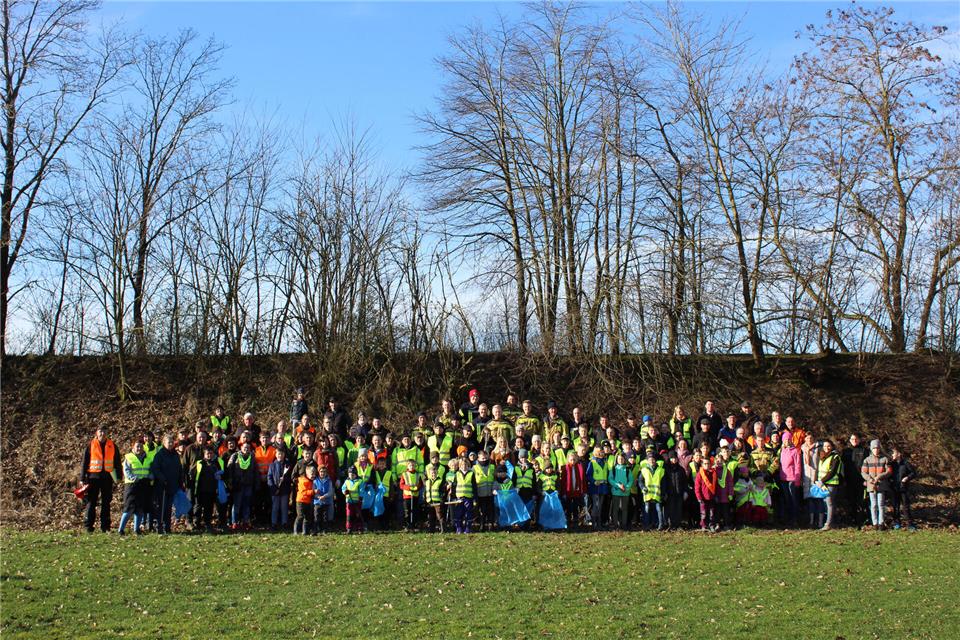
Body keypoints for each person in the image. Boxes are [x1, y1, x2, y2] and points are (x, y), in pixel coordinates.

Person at [79, 426, 122, 533]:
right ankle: (88, 526)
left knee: (106, 502)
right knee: (91, 502)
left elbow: (117, 462)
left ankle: (105, 526)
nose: (102, 433)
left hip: (107, 478)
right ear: (97, 433)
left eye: (104, 431)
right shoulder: (91, 445)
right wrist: (82, 477)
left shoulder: (112, 445)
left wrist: (119, 476)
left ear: (107, 433)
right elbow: (85, 462)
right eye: (100, 431)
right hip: (93, 478)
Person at [150, 433, 183, 534]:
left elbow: (179, 469)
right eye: (168, 442)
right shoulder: (159, 455)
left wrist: (180, 482)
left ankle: (167, 527)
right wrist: (162, 479)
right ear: (164, 443)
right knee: (161, 507)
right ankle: (159, 526)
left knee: (169, 508)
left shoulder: (175, 455)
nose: (170, 444)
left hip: (173, 485)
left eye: (172, 442)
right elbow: (155, 469)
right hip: (162, 485)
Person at [118, 440, 152, 535]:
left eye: (141, 446)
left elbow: (150, 470)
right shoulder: (129, 457)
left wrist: (150, 477)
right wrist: (134, 478)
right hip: (132, 486)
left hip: (143, 485)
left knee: (140, 509)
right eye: (137, 446)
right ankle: (121, 529)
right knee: (129, 509)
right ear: (133, 447)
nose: (139, 448)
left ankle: (136, 529)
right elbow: (126, 471)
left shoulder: (147, 458)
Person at [861, 439, 892, 530]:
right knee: (873, 504)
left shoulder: (885, 459)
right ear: (871, 449)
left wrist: (879, 476)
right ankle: (874, 523)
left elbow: (889, 471)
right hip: (871, 485)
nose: (876, 450)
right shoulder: (867, 460)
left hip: (881, 484)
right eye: (874, 448)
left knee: (881, 504)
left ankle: (881, 522)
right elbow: (863, 472)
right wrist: (869, 479)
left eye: (877, 448)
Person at [227, 441, 258, 530]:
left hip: (248, 485)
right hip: (238, 485)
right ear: (241, 448)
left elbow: (255, 471)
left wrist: (256, 483)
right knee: (236, 504)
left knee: (246, 505)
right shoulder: (235, 456)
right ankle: (234, 522)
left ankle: (245, 522)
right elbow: (229, 469)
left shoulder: (252, 458)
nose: (246, 449)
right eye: (244, 447)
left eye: (248, 448)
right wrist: (231, 482)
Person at [192, 447, 222, 533]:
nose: (209, 455)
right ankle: (196, 524)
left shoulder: (217, 463)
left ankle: (207, 524)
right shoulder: (199, 463)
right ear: (204, 454)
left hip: (212, 490)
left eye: (211, 453)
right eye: (207, 453)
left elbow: (223, 473)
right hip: (200, 490)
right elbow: (192, 474)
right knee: (198, 508)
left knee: (208, 509)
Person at [841, 434, 868, 527]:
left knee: (861, 501)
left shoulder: (864, 450)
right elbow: (842, 466)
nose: (854, 440)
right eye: (852, 439)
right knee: (851, 500)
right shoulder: (846, 451)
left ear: (859, 440)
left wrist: (867, 478)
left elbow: (867, 465)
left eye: (856, 439)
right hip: (849, 480)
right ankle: (852, 520)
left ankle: (862, 519)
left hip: (861, 480)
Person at [816, 439, 842, 530]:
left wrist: (822, 481)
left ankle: (828, 524)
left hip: (831, 483)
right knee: (823, 503)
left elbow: (832, 472)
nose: (826, 448)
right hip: (822, 484)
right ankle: (823, 522)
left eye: (828, 446)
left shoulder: (835, 457)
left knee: (829, 503)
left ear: (831, 446)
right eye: (825, 446)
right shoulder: (822, 456)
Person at [889, 447, 916, 530]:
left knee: (906, 506)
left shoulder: (906, 463)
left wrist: (907, 477)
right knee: (895, 506)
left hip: (904, 488)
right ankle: (897, 523)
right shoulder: (891, 464)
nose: (892, 455)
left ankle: (910, 524)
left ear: (899, 454)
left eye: (893, 453)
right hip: (894, 488)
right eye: (891, 453)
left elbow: (913, 473)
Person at [778, 435, 802, 527]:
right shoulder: (782, 451)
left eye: (788, 439)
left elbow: (798, 466)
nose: (787, 441)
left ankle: (795, 519)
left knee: (793, 499)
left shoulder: (795, 451)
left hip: (792, 478)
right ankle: (787, 519)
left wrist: (797, 479)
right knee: (786, 499)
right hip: (783, 478)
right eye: (785, 439)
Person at [267, 447, 293, 530]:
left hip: (284, 490)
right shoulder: (272, 465)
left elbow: (290, 477)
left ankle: (284, 523)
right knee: (275, 507)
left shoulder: (288, 465)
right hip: (275, 491)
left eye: (282, 454)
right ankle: (274, 523)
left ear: (284, 455)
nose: (280, 455)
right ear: (276, 454)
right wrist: (274, 488)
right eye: (278, 454)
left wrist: (285, 479)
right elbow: (269, 477)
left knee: (284, 507)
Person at [609, 453, 633, 530]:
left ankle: (624, 525)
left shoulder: (628, 469)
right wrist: (618, 485)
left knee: (624, 509)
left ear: (624, 459)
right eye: (619, 459)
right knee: (615, 509)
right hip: (616, 492)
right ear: (616, 460)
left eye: (622, 459)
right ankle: (615, 524)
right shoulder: (613, 469)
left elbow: (631, 480)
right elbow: (610, 479)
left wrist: (626, 488)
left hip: (625, 492)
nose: (620, 460)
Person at [452, 458, 476, 533]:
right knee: (458, 513)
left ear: (468, 465)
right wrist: (453, 497)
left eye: (465, 464)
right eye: (462, 465)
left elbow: (474, 486)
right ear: (459, 466)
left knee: (468, 513)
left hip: (468, 497)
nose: (464, 466)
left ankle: (468, 528)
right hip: (459, 497)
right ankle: (459, 528)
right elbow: (454, 485)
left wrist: (475, 498)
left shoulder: (471, 473)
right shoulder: (457, 473)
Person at [694, 453, 717, 531]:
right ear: (702, 464)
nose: (707, 465)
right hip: (703, 497)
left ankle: (711, 525)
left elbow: (716, 485)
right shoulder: (699, 474)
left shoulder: (713, 473)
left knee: (711, 513)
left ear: (710, 464)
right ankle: (703, 526)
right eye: (705, 463)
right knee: (703, 513)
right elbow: (697, 487)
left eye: (708, 463)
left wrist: (715, 495)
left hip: (711, 497)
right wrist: (699, 497)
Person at [399, 459, 421, 531]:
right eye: (410, 465)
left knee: (415, 511)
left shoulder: (418, 474)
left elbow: (420, 484)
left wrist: (417, 487)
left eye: (413, 465)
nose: (412, 466)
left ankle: (414, 525)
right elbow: (401, 485)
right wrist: (409, 488)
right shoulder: (404, 474)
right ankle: (407, 525)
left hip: (415, 495)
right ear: (407, 466)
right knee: (407, 511)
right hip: (407, 495)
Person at [294, 465, 317, 535]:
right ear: (307, 473)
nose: (313, 475)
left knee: (307, 517)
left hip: (308, 501)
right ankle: (296, 531)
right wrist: (313, 491)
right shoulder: (303, 481)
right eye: (311, 474)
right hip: (301, 501)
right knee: (300, 516)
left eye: (314, 474)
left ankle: (305, 531)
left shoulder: (312, 481)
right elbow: (304, 492)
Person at [341, 466, 364, 534]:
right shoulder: (346, 481)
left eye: (353, 474)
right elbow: (343, 488)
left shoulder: (359, 481)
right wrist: (345, 491)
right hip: (349, 501)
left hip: (357, 501)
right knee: (349, 516)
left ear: (356, 474)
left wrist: (360, 497)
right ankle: (349, 528)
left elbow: (361, 490)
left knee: (358, 515)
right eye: (350, 474)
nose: (351, 476)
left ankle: (359, 528)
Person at [423, 464, 446, 533]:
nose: (433, 474)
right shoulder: (427, 482)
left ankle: (443, 529)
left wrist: (442, 499)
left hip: (437, 501)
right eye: (432, 473)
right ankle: (431, 530)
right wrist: (425, 500)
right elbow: (425, 492)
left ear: (437, 473)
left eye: (435, 473)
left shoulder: (440, 481)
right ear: (429, 474)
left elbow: (443, 491)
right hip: (429, 501)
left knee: (439, 516)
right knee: (431, 516)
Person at [313, 465, 334, 533]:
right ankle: (317, 528)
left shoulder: (329, 481)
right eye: (321, 471)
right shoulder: (315, 481)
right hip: (317, 502)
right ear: (318, 472)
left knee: (325, 516)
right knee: (317, 516)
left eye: (324, 472)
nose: (323, 473)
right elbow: (313, 490)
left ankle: (324, 529)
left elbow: (330, 491)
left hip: (326, 501)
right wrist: (318, 496)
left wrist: (324, 496)